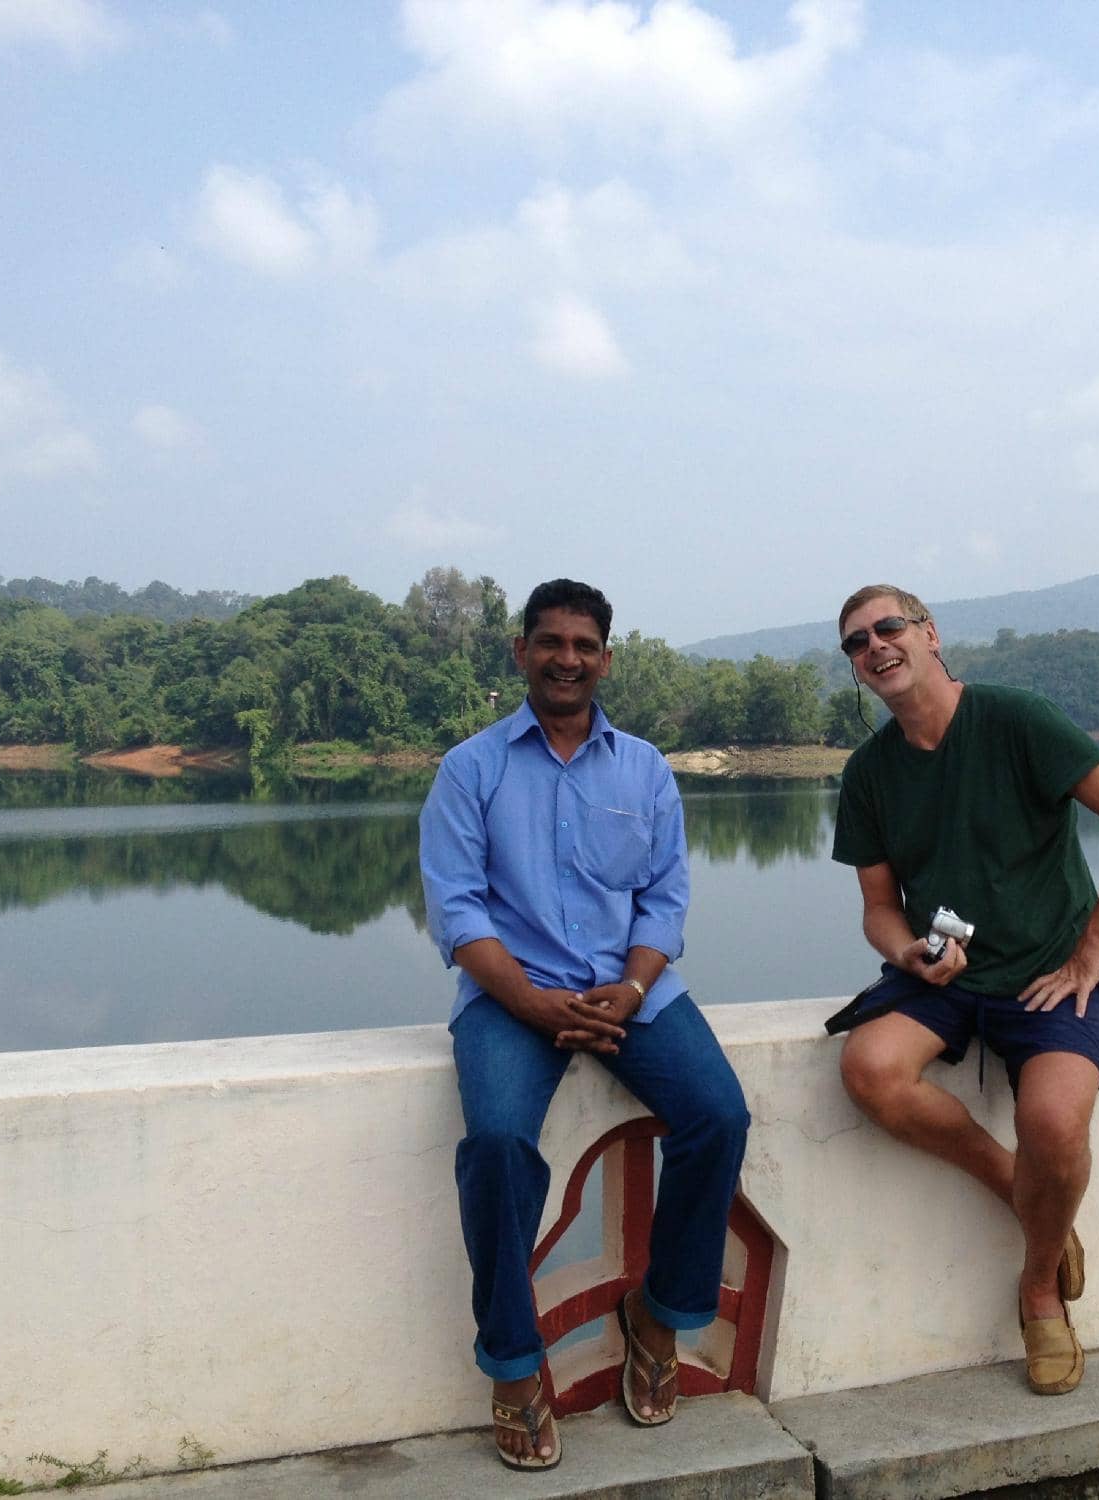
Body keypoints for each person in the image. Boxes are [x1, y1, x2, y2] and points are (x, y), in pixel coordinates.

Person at [419, 578, 749, 1471]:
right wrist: (529, 1002)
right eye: (550, 642)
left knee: (719, 1117)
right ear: (520, 652)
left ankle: (656, 1314)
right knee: (495, 1145)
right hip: (510, 1000)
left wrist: (633, 992)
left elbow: (665, 898)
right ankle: (517, 1367)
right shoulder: (471, 769)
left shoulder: (642, 768)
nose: (568, 658)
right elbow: (455, 913)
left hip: (629, 994)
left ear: (607, 657)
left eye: (584, 645)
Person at [827, 583, 1099, 1396]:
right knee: (870, 1070)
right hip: (943, 978)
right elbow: (879, 909)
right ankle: (1016, 1188)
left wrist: (1093, 952)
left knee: (1054, 1122)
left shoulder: (1013, 719)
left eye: (888, 628)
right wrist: (907, 952)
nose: (874, 647)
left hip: (1045, 973)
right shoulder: (870, 773)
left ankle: (1038, 1289)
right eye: (854, 643)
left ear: (929, 633)